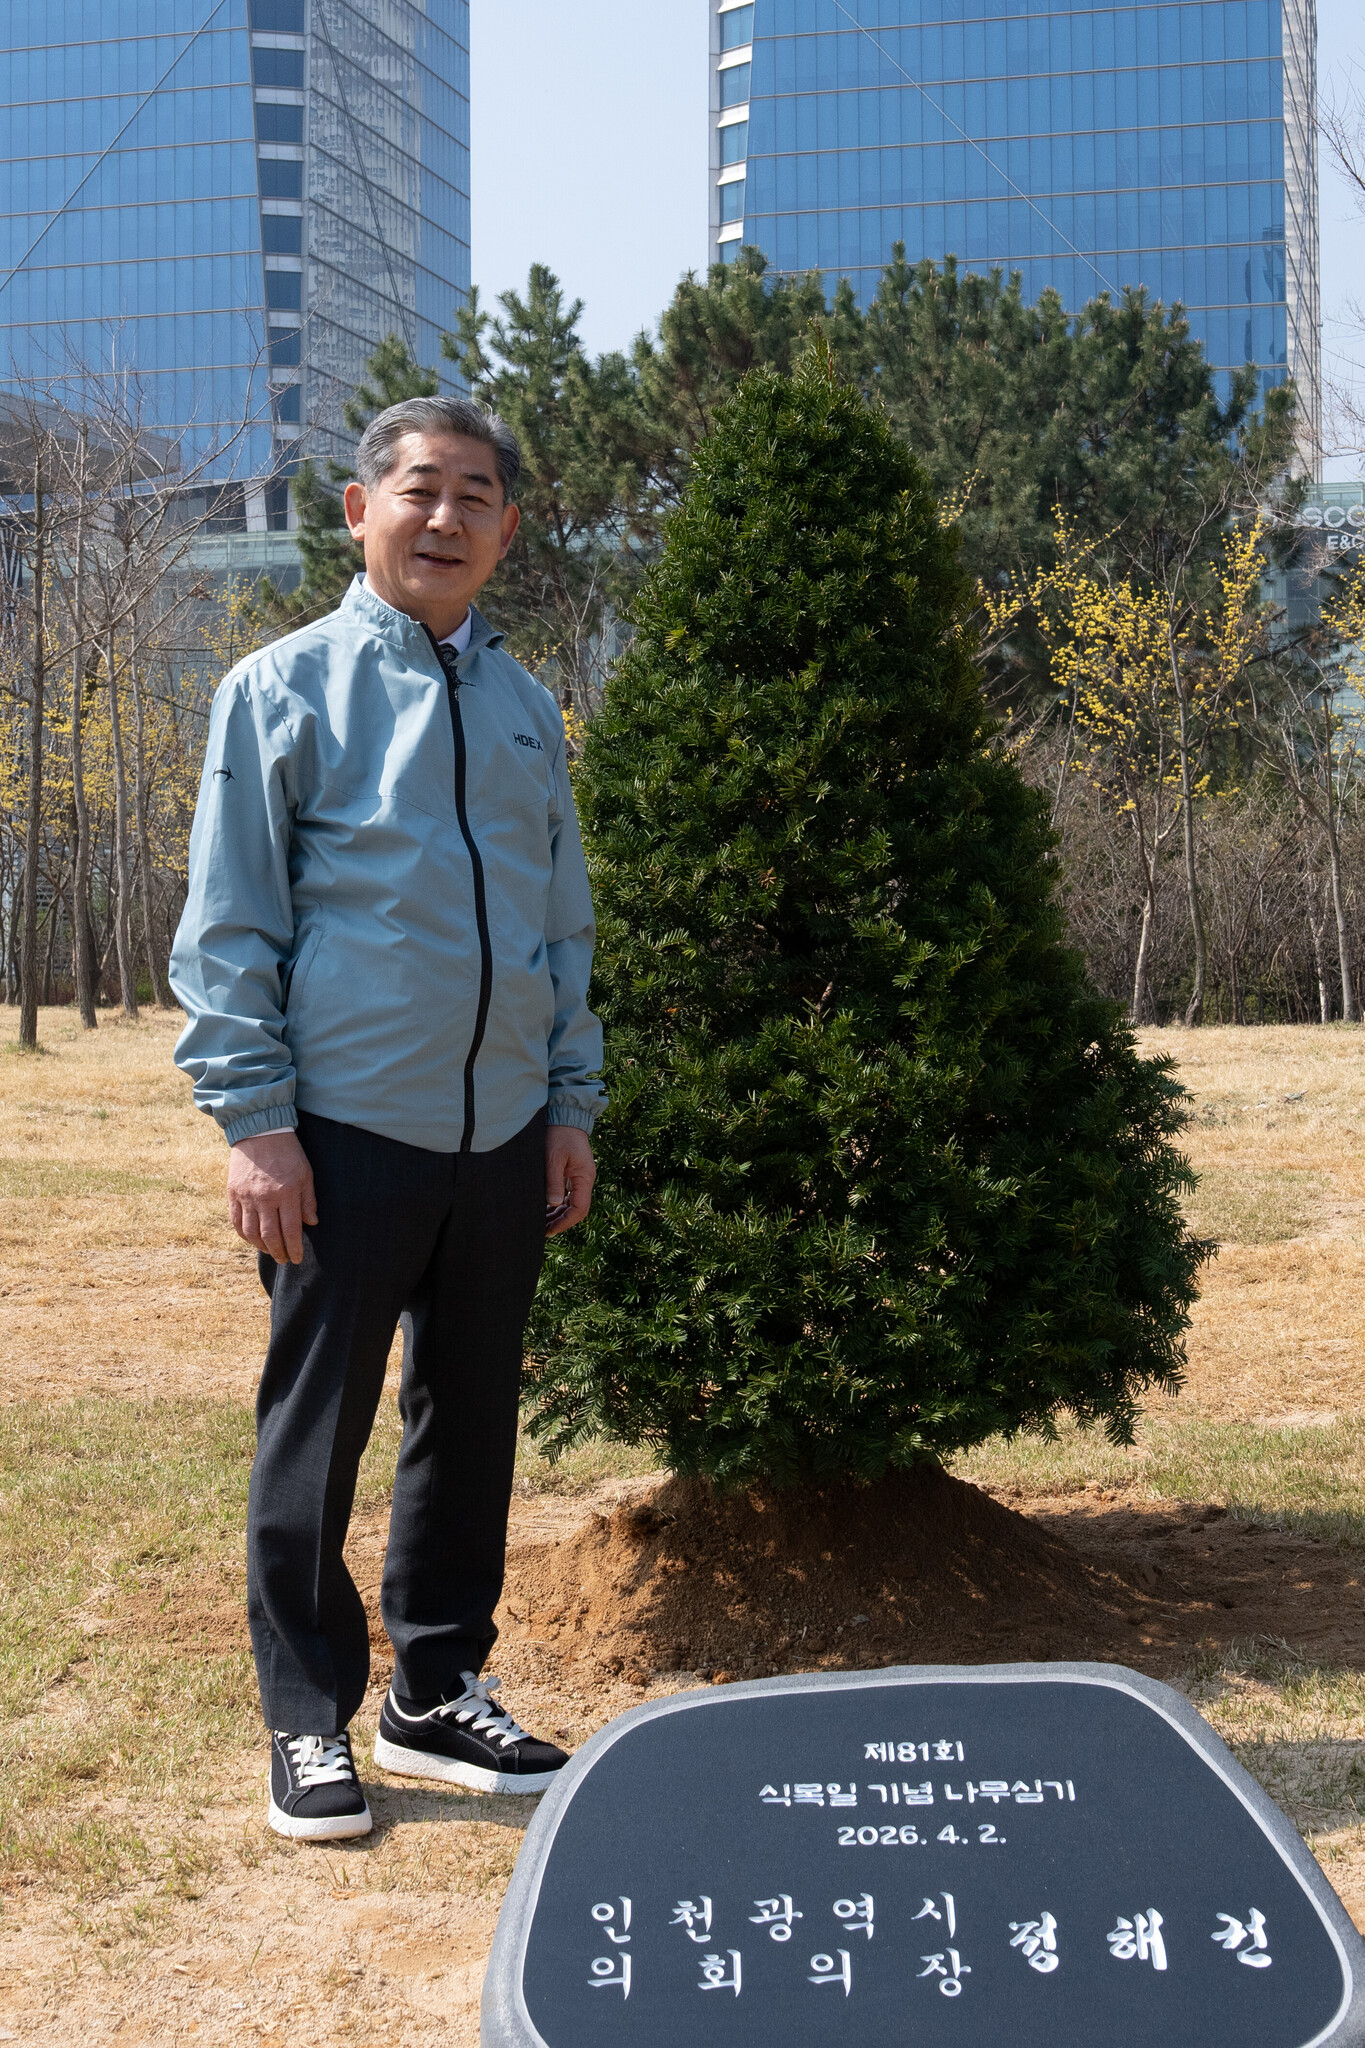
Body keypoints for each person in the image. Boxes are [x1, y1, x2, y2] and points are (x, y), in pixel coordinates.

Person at [170, 396, 605, 1842]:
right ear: (359, 512)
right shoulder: (280, 689)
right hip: (342, 1133)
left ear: (507, 531)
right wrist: (256, 1123)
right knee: (318, 1433)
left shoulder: (527, 707)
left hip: (501, 1136)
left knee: (468, 1424)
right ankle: (306, 1717)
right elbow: (230, 925)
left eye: (476, 495)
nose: (446, 517)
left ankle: (437, 1688)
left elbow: (558, 926)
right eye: (420, 489)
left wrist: (565, 1104)